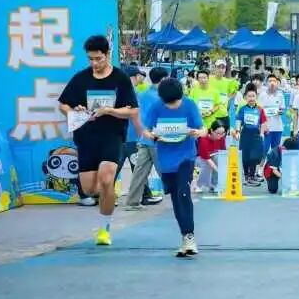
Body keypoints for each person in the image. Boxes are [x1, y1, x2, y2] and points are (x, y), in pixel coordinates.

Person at [57, 35, 138, 245]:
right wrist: (74, 111)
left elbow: (132, 110)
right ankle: (106, 194)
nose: (94, 63)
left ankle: (104, 228)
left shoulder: (120, 79)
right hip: (86, 136)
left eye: (98, 59)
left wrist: (110, 110)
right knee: (90, 189)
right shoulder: (81, 78)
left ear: (107, 55)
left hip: (112, 135)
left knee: (106, 179)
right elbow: (63, 104)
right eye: (91, 59)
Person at [142, 76, 203, 257]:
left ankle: (190, 236)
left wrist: (197, 132)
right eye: (168, 104)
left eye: (175, 102)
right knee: (176, 197)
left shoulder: (189, 105)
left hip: (186, 156)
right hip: (166, 159)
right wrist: (152, 136)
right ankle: (185, 237)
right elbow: (146, 130)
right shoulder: (156, 107)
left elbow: (202, 129)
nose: (172, 106)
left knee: (184, 192)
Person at [124, 66, 167, 209]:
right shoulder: (161, 98)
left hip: (143, 138)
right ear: (164, 79)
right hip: (156, 139)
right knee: (165, 169)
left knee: (140, 172)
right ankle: (179, 197)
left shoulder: (143, 95)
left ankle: (132, 201)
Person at [234, 83, 268, 187]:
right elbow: (239, 121)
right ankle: (247, 177)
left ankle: (252, 176)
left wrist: (262, 133)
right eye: (249, 96)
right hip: (245, 135)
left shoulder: (260, 109)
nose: (251, 98)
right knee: (245, 157)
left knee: (254, 156)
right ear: (245, 97)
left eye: (253, 96)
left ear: (256, 97)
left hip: (256, 135)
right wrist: (237, 131)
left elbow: (263, 122)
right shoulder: (242, 109)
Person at [259, 73, 287, 153]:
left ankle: (274, 161)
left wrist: (280, 112)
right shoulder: (262, 95)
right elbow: (259, 111)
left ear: (277, 83)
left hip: (277, 127)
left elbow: (282, 110)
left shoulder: (280, 95)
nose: (272, 83)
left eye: (274, 81)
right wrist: (263, 126)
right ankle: (262, 161)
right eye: (270, 81)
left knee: (276, 151)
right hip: (266, 127)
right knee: (264, 149)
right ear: (266, 83)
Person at [196, 121, 228, 194]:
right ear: (212, 131)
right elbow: (207, 159)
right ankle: (199, 185)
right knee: (207, 164)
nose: (220, 136)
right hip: (199, 159)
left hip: (212, 158)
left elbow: (223, 154)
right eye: (218, 133)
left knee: (218, 158)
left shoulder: (221, 139)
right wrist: (220, 171)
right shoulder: (204, 139)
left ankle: (214, 184)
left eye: (222, 133)